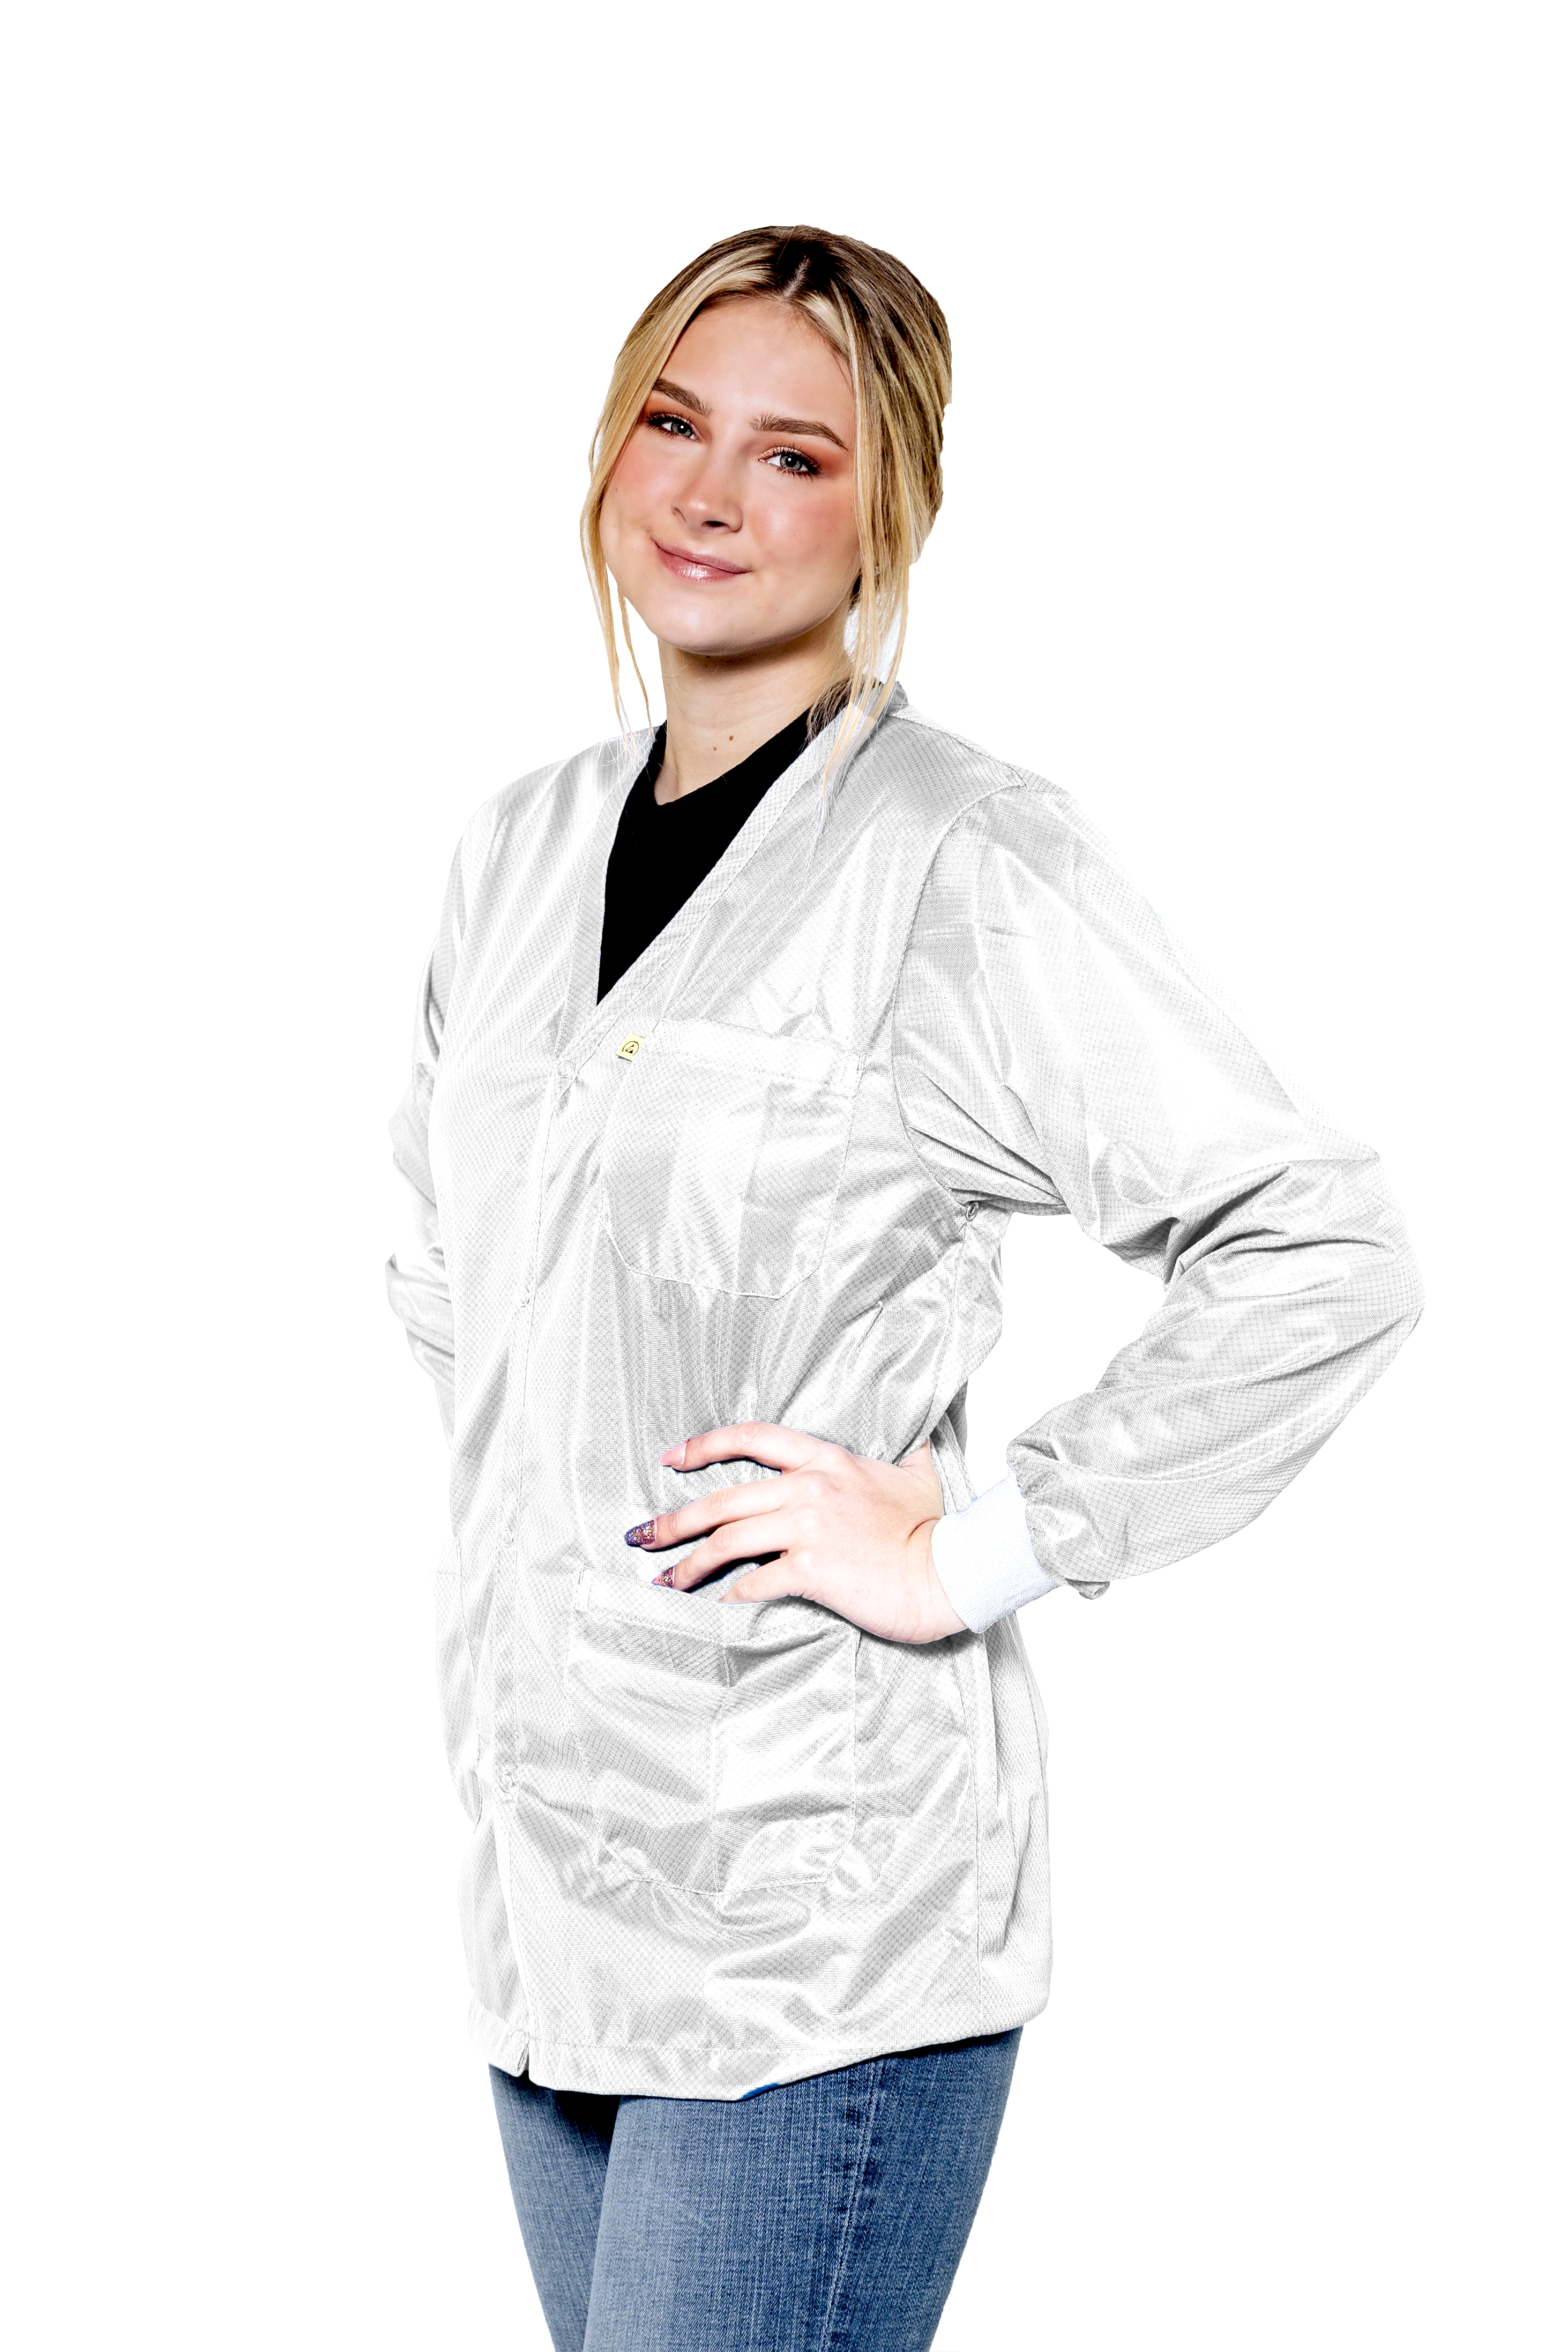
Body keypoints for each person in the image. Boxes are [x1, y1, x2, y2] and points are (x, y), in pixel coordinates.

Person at [386, 225, 1422, 2352]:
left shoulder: (960, 856)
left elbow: (1319, 1248)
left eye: (794, 455)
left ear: (893, 515)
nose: (708, 494)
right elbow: (457, 1279)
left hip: (817, 1921)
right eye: (673, 423)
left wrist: (972, 1541)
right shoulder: (515, 853)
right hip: (550, 1891)